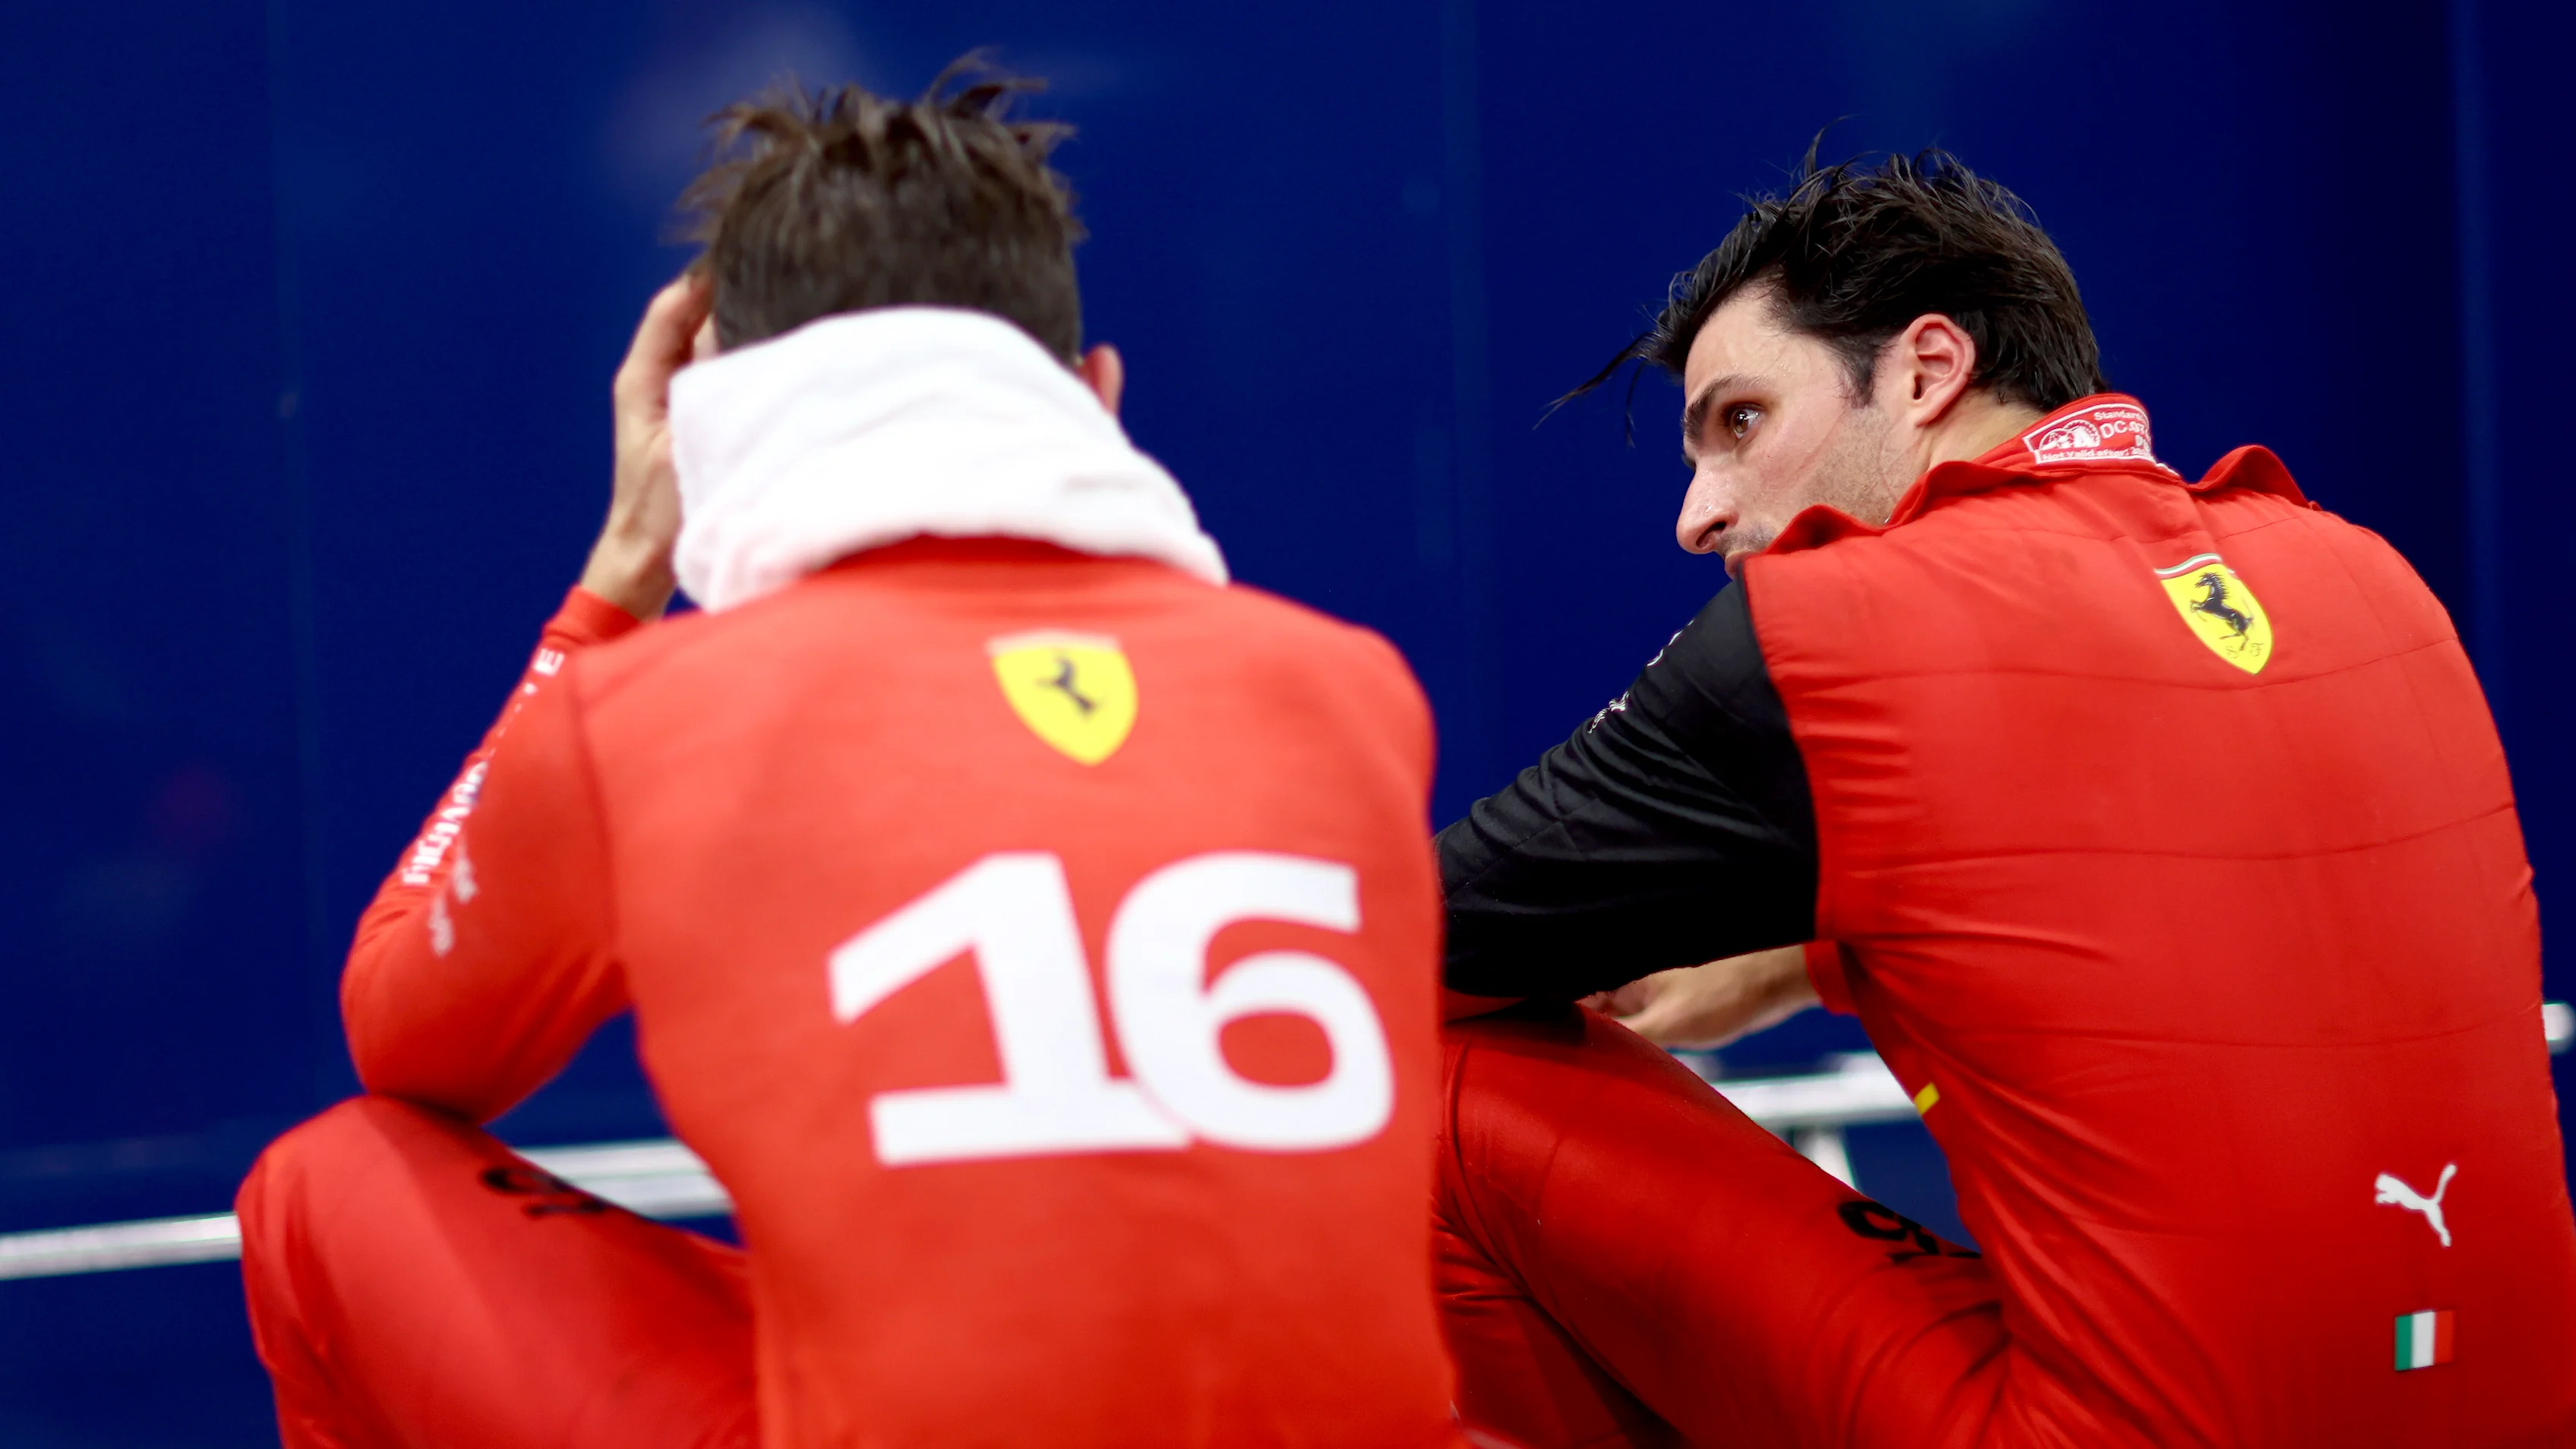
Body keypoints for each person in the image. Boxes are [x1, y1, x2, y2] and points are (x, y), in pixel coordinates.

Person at [233, 68, 1461, 1448]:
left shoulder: (648, 715)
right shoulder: (1349, 687)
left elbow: (399, 1037)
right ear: (1094, 397)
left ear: (701, 428)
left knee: (322, 1171)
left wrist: (617, 582)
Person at [1432, 150, 2576, 1447]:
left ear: (1926, 370)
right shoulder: (2366, 574)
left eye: (1739, 422)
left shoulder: (1828, 628)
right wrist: (1806, 960)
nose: (1700, 514)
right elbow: (2175, 915)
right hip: (2513, 1413)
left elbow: (1394, 953)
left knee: (1408, 1069)